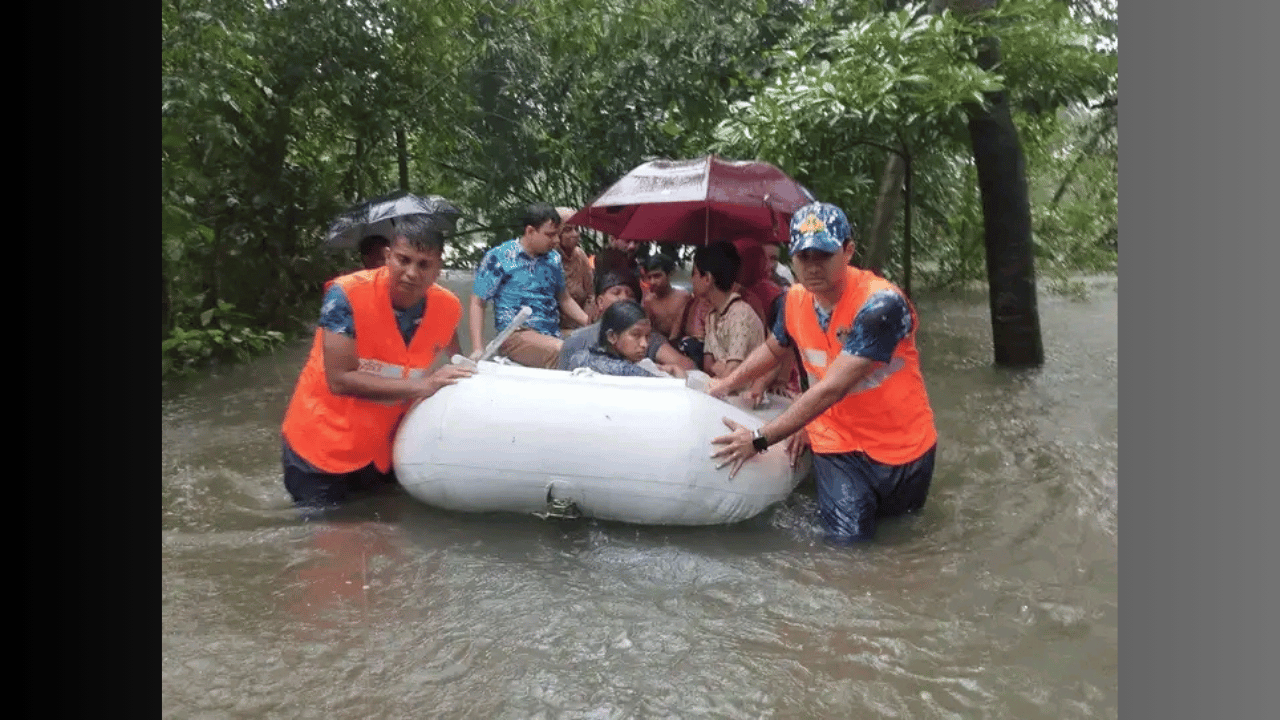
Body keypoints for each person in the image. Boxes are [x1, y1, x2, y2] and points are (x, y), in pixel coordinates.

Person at [708, 202, 938, 543]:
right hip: (839, 445)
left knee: (904, 538)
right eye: (804, 257)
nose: (812, 266)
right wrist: (726, 384)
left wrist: (759, 440)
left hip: (906, 447)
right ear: (792, 259)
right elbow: (775, 348)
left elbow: (831, 388)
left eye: (823, 255)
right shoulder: (792, 302)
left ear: (848, 251)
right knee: (846, 546)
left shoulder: (881, 306)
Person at [280, 214, 474, 512]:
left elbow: (457, 359)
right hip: (320, 449)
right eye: (403, 260)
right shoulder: (346, 295)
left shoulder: (448, 307)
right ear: (387, 257)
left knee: (386, 543)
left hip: (381, 451)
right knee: (331, 550)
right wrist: (424, 385)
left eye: (424, 264)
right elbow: (340, 380)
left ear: (438, 268)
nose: (411, 273)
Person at [469, 203, 591, 368]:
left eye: (557, 234)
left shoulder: (553, 259)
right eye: (550, 235)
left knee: (596, 346)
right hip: (515, 335)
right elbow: (478, 302)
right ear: (530, 231)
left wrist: (590, 323)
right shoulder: (499, 257)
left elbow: (565, 299)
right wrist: (478, 348)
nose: (556, 240)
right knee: (562, 351)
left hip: (552, 333)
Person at [557, 270, 695, 373]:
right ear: (599, 302)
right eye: (616, 293)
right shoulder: (576, 340)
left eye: (630, 295)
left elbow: (687, 366)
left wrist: (668, 370)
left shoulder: (647, 337)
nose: (624, 298)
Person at [691, 241, 767, 383]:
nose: (692, 280)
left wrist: (722, 369)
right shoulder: (712, 316)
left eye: (694, 273)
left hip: (745, 396)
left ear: (707, 278)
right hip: (725, 388)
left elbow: (733, 372)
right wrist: (719, 368)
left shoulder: (740, 315)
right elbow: (708, 365)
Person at [562, 301, 688, 378]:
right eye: (636, 335)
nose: (644, 344)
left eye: (647, 336)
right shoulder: (630, 372)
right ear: (612, 337)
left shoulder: (580, 357)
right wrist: (678, 373)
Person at [554, 206, 595, 332]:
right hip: (555, 328)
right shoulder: (549, 259)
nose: (575, 234)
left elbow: (591, 295)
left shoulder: (580, 256)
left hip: (582, 324)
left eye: (576, 229)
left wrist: (586, 323)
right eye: (567, 230)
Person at [640, 253, 691, 339]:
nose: (652, 282)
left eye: (657, 276)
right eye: (649, 277)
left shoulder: (683, 296)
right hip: (660, 345)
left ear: (669, 274)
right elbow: (648, 329)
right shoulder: (649, 301)